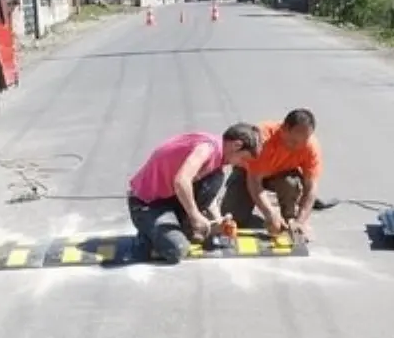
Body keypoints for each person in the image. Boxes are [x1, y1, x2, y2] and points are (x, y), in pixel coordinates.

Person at [127, 123, 261, 262]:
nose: (242, 164)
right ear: (237, 145)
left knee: (216, 177)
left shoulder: (218, 158)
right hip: (148, 204)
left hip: (171, 198)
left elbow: (209, 194)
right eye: (243, 158)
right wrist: (195, 216)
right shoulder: (207, 148)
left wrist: (219, 220)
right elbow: (181, 181)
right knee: (177, 249)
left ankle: (178, 227)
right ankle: (148, 235)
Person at [221, 108, 327, 239]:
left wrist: (301, 221)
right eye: (294, 142)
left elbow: (311, 187)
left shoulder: (310, 146)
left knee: (291, 182)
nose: (298, 146)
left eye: (304, 141)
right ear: (284, 129)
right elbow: (254, 182)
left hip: (281, 176)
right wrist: (269, 213)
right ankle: (270, 217)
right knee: (233, 217)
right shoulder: (262, 139)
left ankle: (289, 219)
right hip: (248, 174)